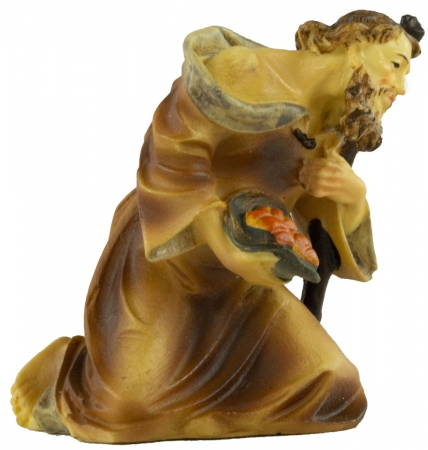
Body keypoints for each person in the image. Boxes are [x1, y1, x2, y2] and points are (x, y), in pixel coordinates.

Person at [11, 11, 423, 443]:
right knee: (118, 414)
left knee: (337, 392)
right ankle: (72, 367)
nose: (400, 87)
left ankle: (190, 415)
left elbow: (318, 225)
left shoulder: (339, 123)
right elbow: (173, 144)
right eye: (394, 64)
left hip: (245, 286)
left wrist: (352, 196)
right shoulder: (247, 71)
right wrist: (221, 240)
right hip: (172, 266)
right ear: (352, 47)